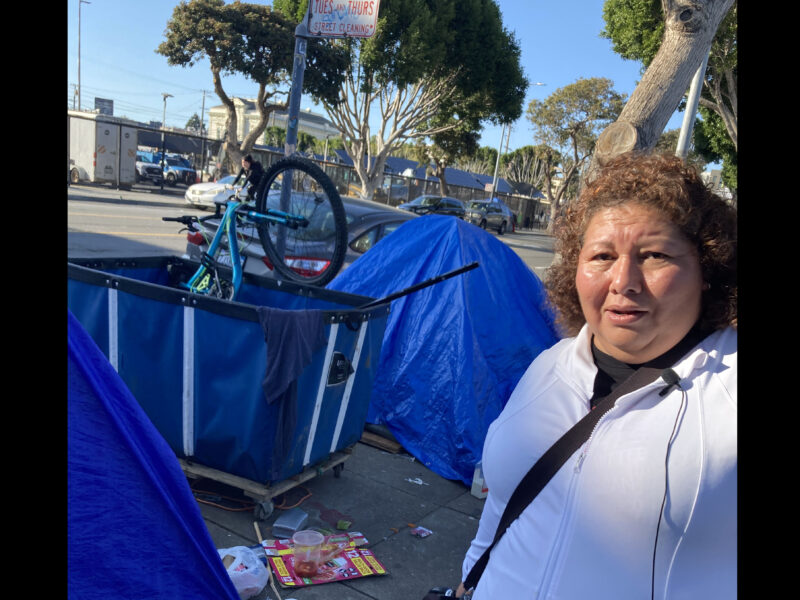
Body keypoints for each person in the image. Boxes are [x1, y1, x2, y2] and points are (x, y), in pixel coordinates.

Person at [455, 152, 737, 599]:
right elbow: (503, 502)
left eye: (656, 255)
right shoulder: (550, 365)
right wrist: (471, 575)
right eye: (602, 255)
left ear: (707, 268)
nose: (623, 280)